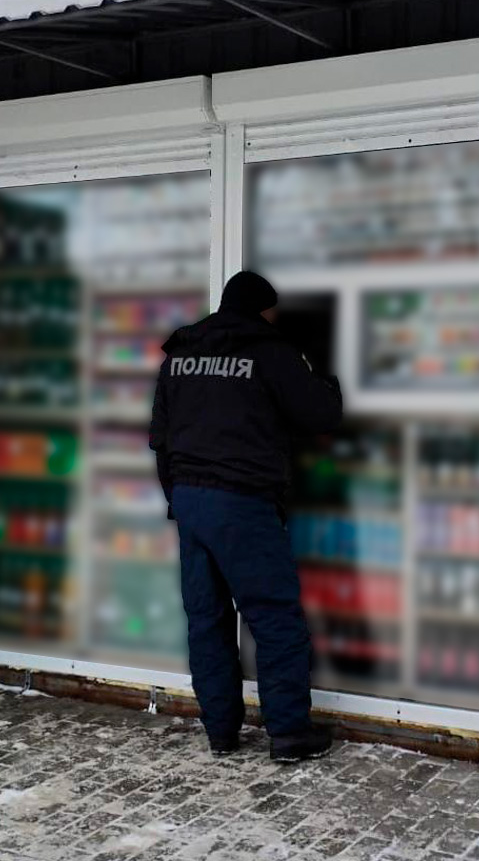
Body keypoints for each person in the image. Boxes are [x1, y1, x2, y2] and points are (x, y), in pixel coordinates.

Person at [149, 270, 343, 762]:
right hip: (243, 502)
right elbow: (320, 415)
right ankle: (290, 735)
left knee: (207, 618)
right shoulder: (270, 351)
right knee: (274, 617)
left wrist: (180, 495)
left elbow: (161, 439)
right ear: (263, 310)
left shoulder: (183, 353)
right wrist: (328, 380)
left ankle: (221, 732)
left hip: (191, 502)